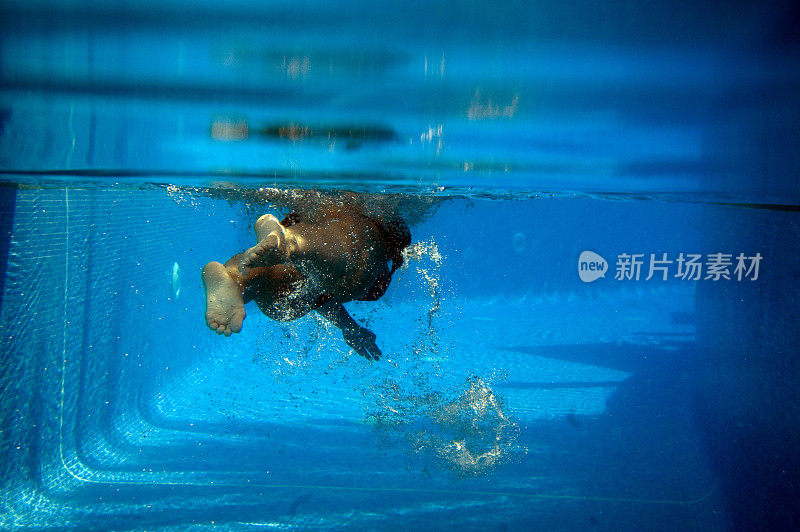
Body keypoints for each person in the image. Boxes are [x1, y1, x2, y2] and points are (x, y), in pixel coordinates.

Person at [201, 193, 411, 361]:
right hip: (349, 237)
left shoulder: (317, 209)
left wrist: (350, 328)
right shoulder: (369, 219)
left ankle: (234, 278)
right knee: (352, 277)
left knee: (273, 277)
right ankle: (289, 241)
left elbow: (322, 299)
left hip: (306, 243)